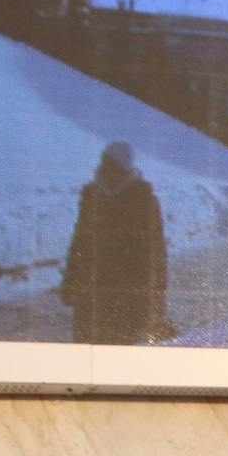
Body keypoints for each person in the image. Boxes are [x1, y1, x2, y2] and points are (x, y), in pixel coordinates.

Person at [60, 141, 167, 344]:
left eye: (113, 163)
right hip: (91, 293)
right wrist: (70, 282)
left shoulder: (143, 199)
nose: (107, 167)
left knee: (120, 352)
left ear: (124, 167)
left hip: (128, 294)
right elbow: (80, 243)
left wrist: (157, 298)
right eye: (105, 162)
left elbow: (156, 252)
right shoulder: (92, 196)